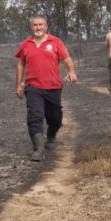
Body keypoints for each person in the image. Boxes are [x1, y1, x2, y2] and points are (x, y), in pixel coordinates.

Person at [15, 15, 78, 161]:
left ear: (46, 26)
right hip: (33, 87)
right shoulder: (25, 44)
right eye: (35, 25)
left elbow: (67, 59)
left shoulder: (55, 42)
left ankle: (51, 136)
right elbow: (21, 64)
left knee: (55, 118)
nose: (38, 27)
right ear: (31, 27)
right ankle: (39, 149)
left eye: (40, 24)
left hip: (53, 86)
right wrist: (18, 84)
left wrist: (72, 72)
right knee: (35, 117)